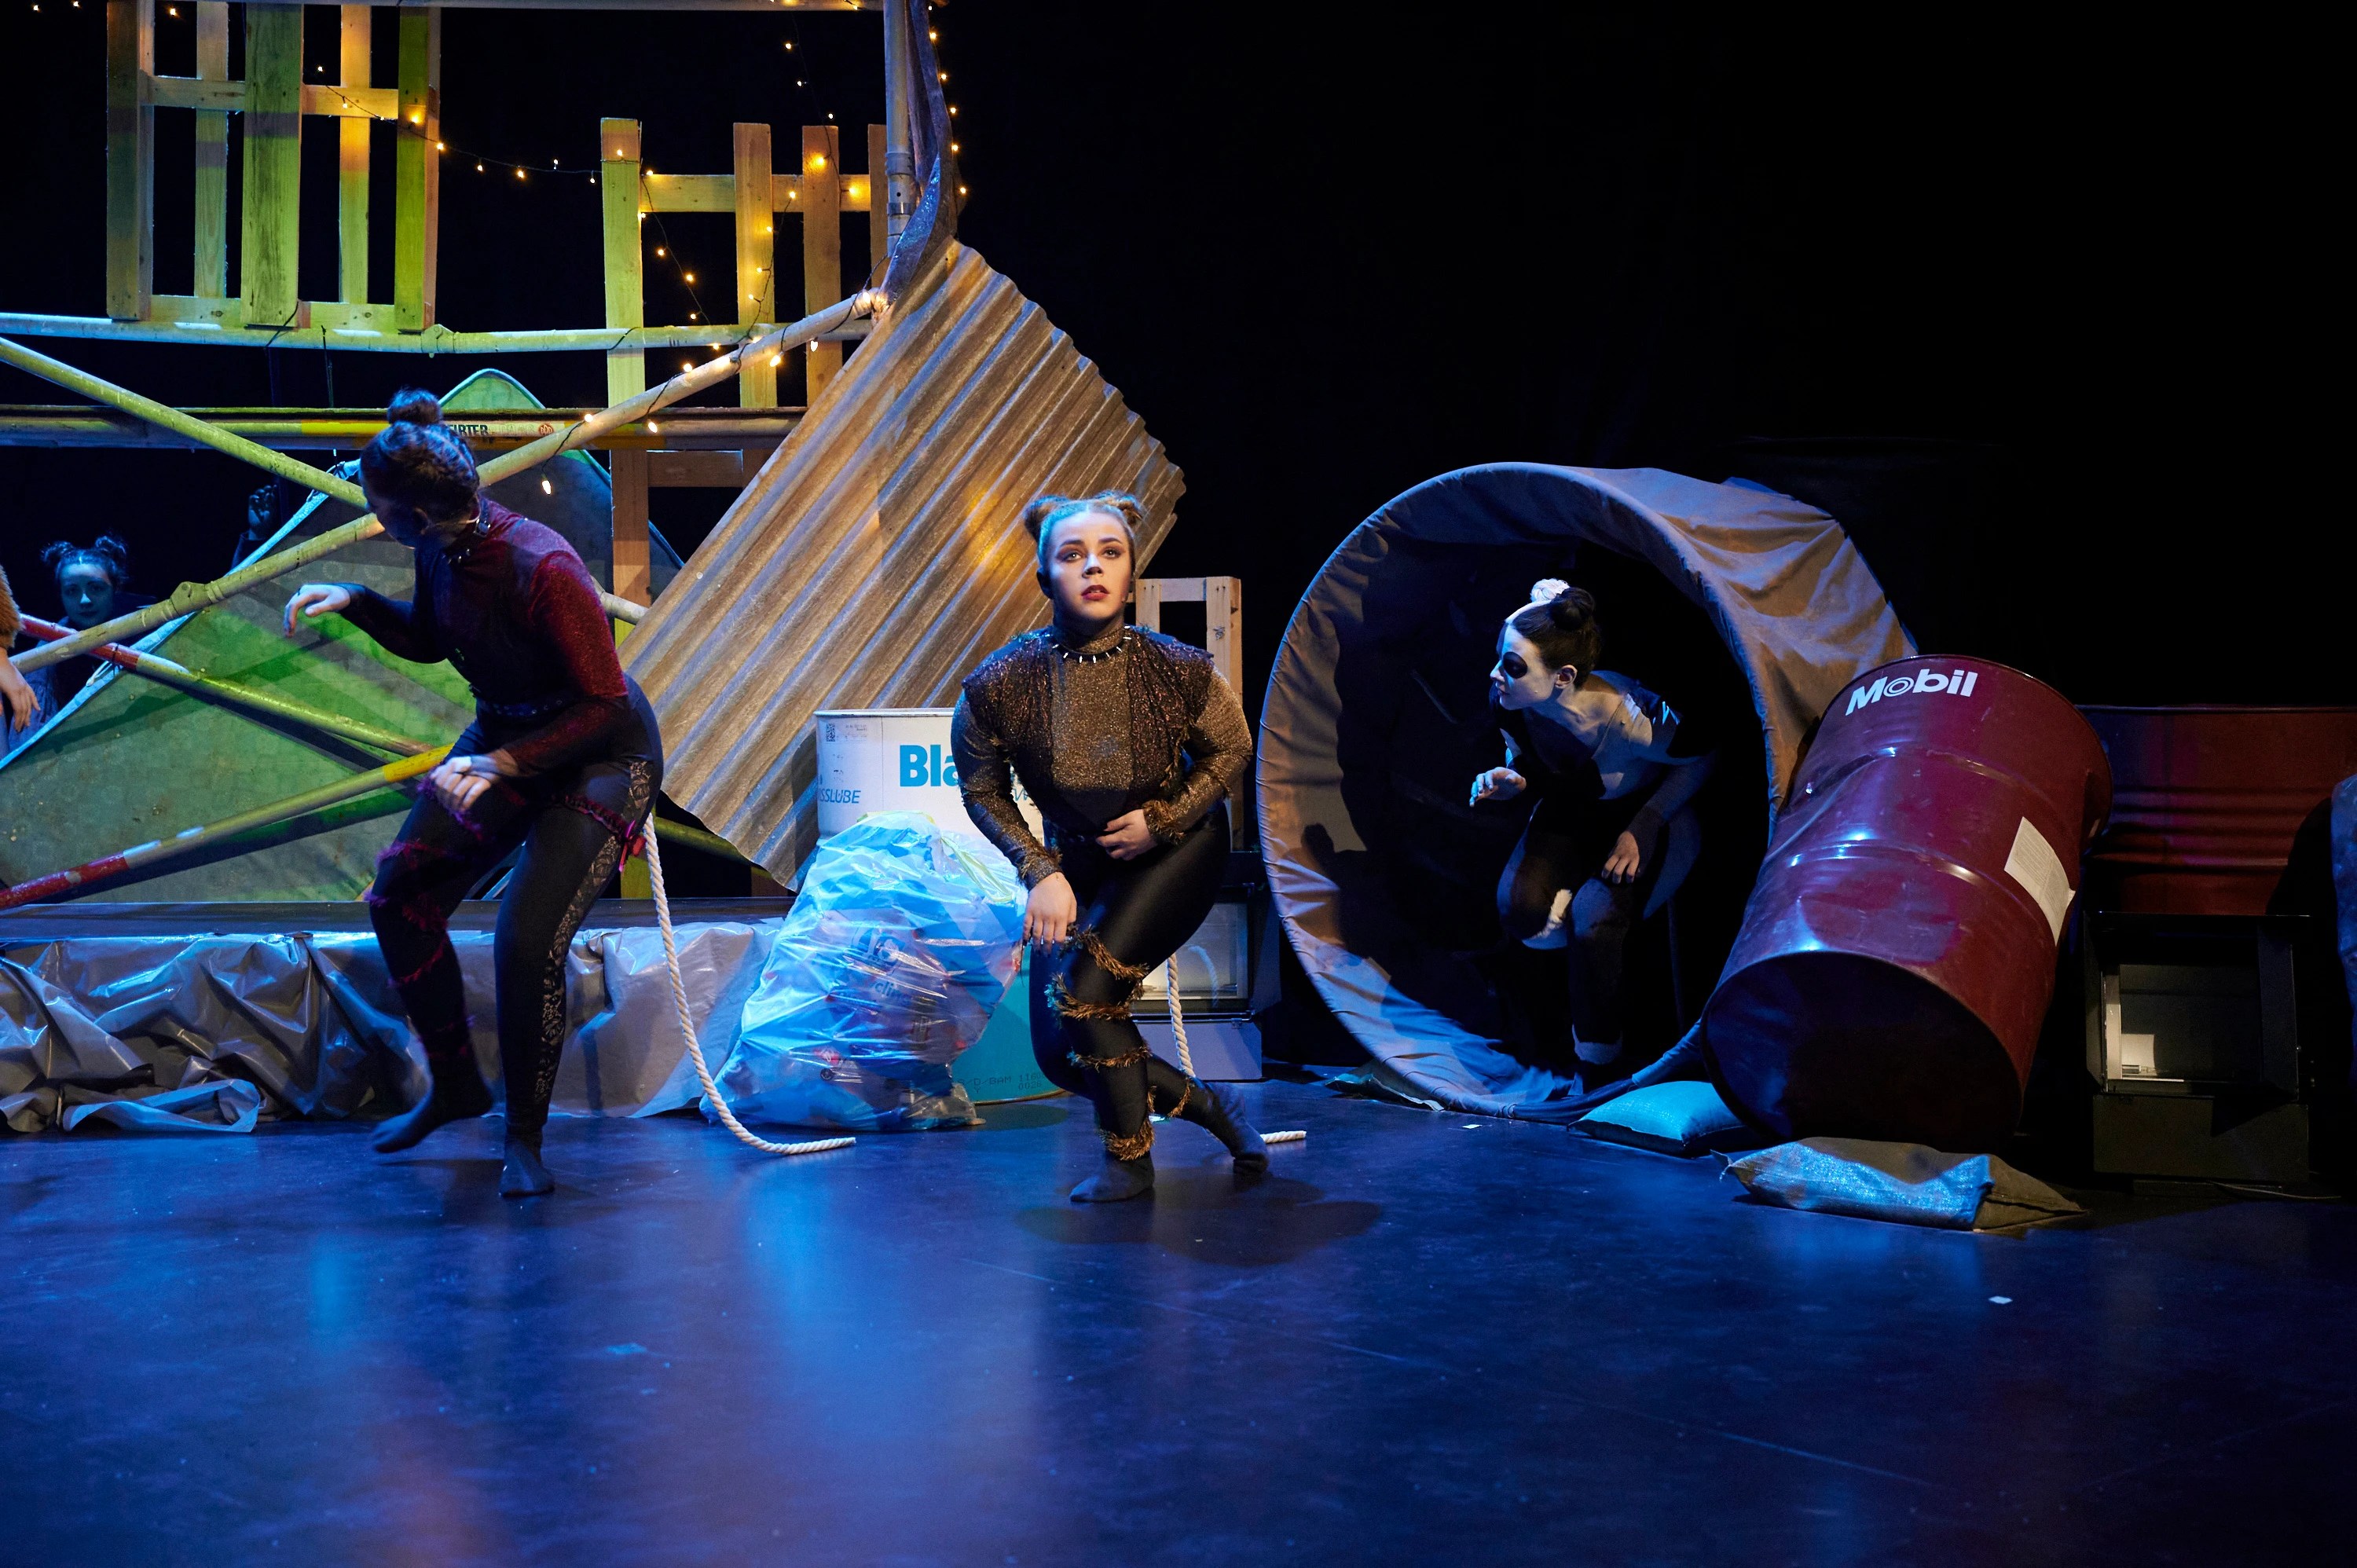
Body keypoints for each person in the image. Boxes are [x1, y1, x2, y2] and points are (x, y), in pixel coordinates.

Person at [280, 390, 662, 1198]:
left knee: (526, 939)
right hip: (506, 736)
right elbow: (433, 636)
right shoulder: (440, 546)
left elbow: (603, 705)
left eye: (379, 507)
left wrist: (505, 765)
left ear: (417, 514)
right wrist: (357, 601)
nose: (374, 518)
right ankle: (456, 1086)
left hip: (598, 755)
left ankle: (524, 1138)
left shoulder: (544, 567)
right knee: (402, 894)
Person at [954, 492, 1268, 1202]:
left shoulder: (1177, 666)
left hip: (1176, 848)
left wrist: (1165, 818)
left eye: (1110, 553)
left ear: (1130, 577)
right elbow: (982, 790)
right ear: (1044, 578)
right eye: (1072, 556)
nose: (1092, 566)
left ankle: (1128, 1163)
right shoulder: (1000, 682)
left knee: (1085, 996)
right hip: (1075, 860)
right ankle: (1214, 1108)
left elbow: (1232, 747)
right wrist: (1040, 871)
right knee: (1059, 1054)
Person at [1472, 581, 1716, 1072]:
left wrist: (1647, 822)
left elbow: (1703, 757)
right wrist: (1510, 778)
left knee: (1594, 923)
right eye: (1500, 658)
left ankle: (1599, 1062)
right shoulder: (1509, 701)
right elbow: (1523, 757)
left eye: (1513, 666)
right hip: (1575, 811)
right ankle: (1585, 956)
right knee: (1521, 912)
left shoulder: (1630, 719)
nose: (1496, 674)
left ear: (1563, 677)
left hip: (1646, 816)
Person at [1, 536, 139, 753]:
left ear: (115, 588)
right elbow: (30, 747)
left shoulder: (146, 635)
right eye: (72, 591)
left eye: (96, 588)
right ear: (61, 595)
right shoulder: (46, 657)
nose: (85, 600)